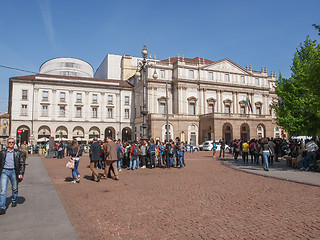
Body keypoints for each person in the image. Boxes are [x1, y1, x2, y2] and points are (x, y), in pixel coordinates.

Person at [0, 138, 25, 215]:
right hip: (4, 171)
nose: (11, 143)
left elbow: (22, 163)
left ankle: (14, 200)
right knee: (3, 190)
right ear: (7, 144)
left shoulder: (18, 153)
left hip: (14, 171)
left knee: (14, 188)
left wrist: (21, 173)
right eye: (9, 142)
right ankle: (2, 207)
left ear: (14, 144)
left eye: (12, 142)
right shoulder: (2, 152)